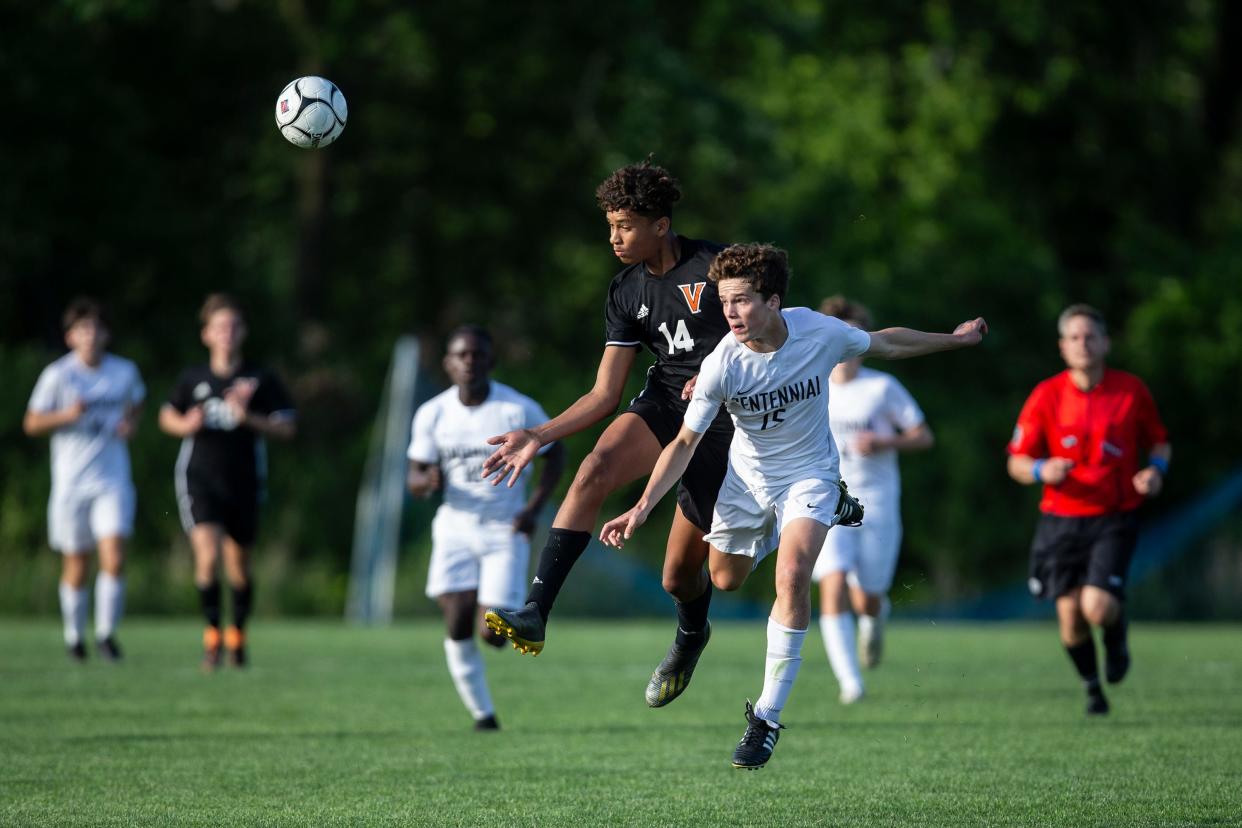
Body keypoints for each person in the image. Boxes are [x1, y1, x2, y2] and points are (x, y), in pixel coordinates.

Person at [600, 243, 986, 768]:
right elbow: (684, 444)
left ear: (775, 301)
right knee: (725, 579)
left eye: (741, 301)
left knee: (793, 575)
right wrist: (641, 507)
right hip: (747, 482)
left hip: (810, 476)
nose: (730, 313)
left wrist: (956, 340)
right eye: (724, 301)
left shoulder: (819, 332)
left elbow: (886, 344)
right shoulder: (723, 365)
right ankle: (800, 526)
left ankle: (766, 719)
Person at [481, 158, 736, 708]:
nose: (614, 237)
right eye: (610, 225)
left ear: (661, 225)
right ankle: (536, 612)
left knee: (681, 578)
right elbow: (604, 395)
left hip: (729, 426)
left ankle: (691, 635)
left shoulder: (716, 266)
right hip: (668, 405)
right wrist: (538, 435)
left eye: (625, 225)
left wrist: (720, 371)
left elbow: (768, 330)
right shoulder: (625, 291)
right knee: (593, 468)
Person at [1007, 303, 1169, 716]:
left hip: (1114, 516)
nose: (1083, 344)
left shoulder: (1130, 390)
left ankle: (1116, 639)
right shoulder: (1046, 394)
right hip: (1060, 521)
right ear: (1063, 347)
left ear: (1105, 343)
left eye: (1090, 336)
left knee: (1097, 606)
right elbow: (1017, 462)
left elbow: (1160, 442)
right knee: (1070, 618)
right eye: (1074, 337)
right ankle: (1093, 688)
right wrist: (1043, 468)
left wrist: (1155, 472)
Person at [406, 325, 565, 730]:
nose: (469, 362)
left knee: (493, 633)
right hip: (455, 527)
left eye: (477, 355)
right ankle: (483, 714)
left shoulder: (516, 409)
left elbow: (556, 454)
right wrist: (427, 482)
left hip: (504, 528)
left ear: (490, 361)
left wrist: (533, 509)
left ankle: (489, 617)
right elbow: (415, 475)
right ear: (448, 362)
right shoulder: (433, 413)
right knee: (456, 621)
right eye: (461, 355)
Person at [159, 294, 296, 670]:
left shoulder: (261, 379)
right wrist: (186, 424)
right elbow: (166, 416)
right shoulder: (193, 379)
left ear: (244, 331)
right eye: (219, 327)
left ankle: (237, 634)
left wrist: (248, 417)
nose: (227, 334)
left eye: (233, 326)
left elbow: (287, 427)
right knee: (207, 556)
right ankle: (212, 637)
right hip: (200, 478)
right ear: (206, 334)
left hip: (245, 481)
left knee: (239, 566)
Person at [811, 296, 934, 704]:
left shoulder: (881, 388)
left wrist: (885, 440)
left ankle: (874, 619)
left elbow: (923, 435)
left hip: (876, 501)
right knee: (831, 585)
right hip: (826, 499)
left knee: (867, 596)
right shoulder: (811, 384)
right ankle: (851, 683)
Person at [24, 298, 145, 662]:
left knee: (115, 554)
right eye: (83, 330)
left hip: (112, 479)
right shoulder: (58, 376)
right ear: (70, 337)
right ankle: (75, 636)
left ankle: (107, 634)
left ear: (106, 334)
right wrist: (67, 415)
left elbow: (137, 401)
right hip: (71, 483)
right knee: (76, 563)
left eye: (96, 328)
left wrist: (130, 424)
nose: (90, 336)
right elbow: (32, 423)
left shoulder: (123, 372)